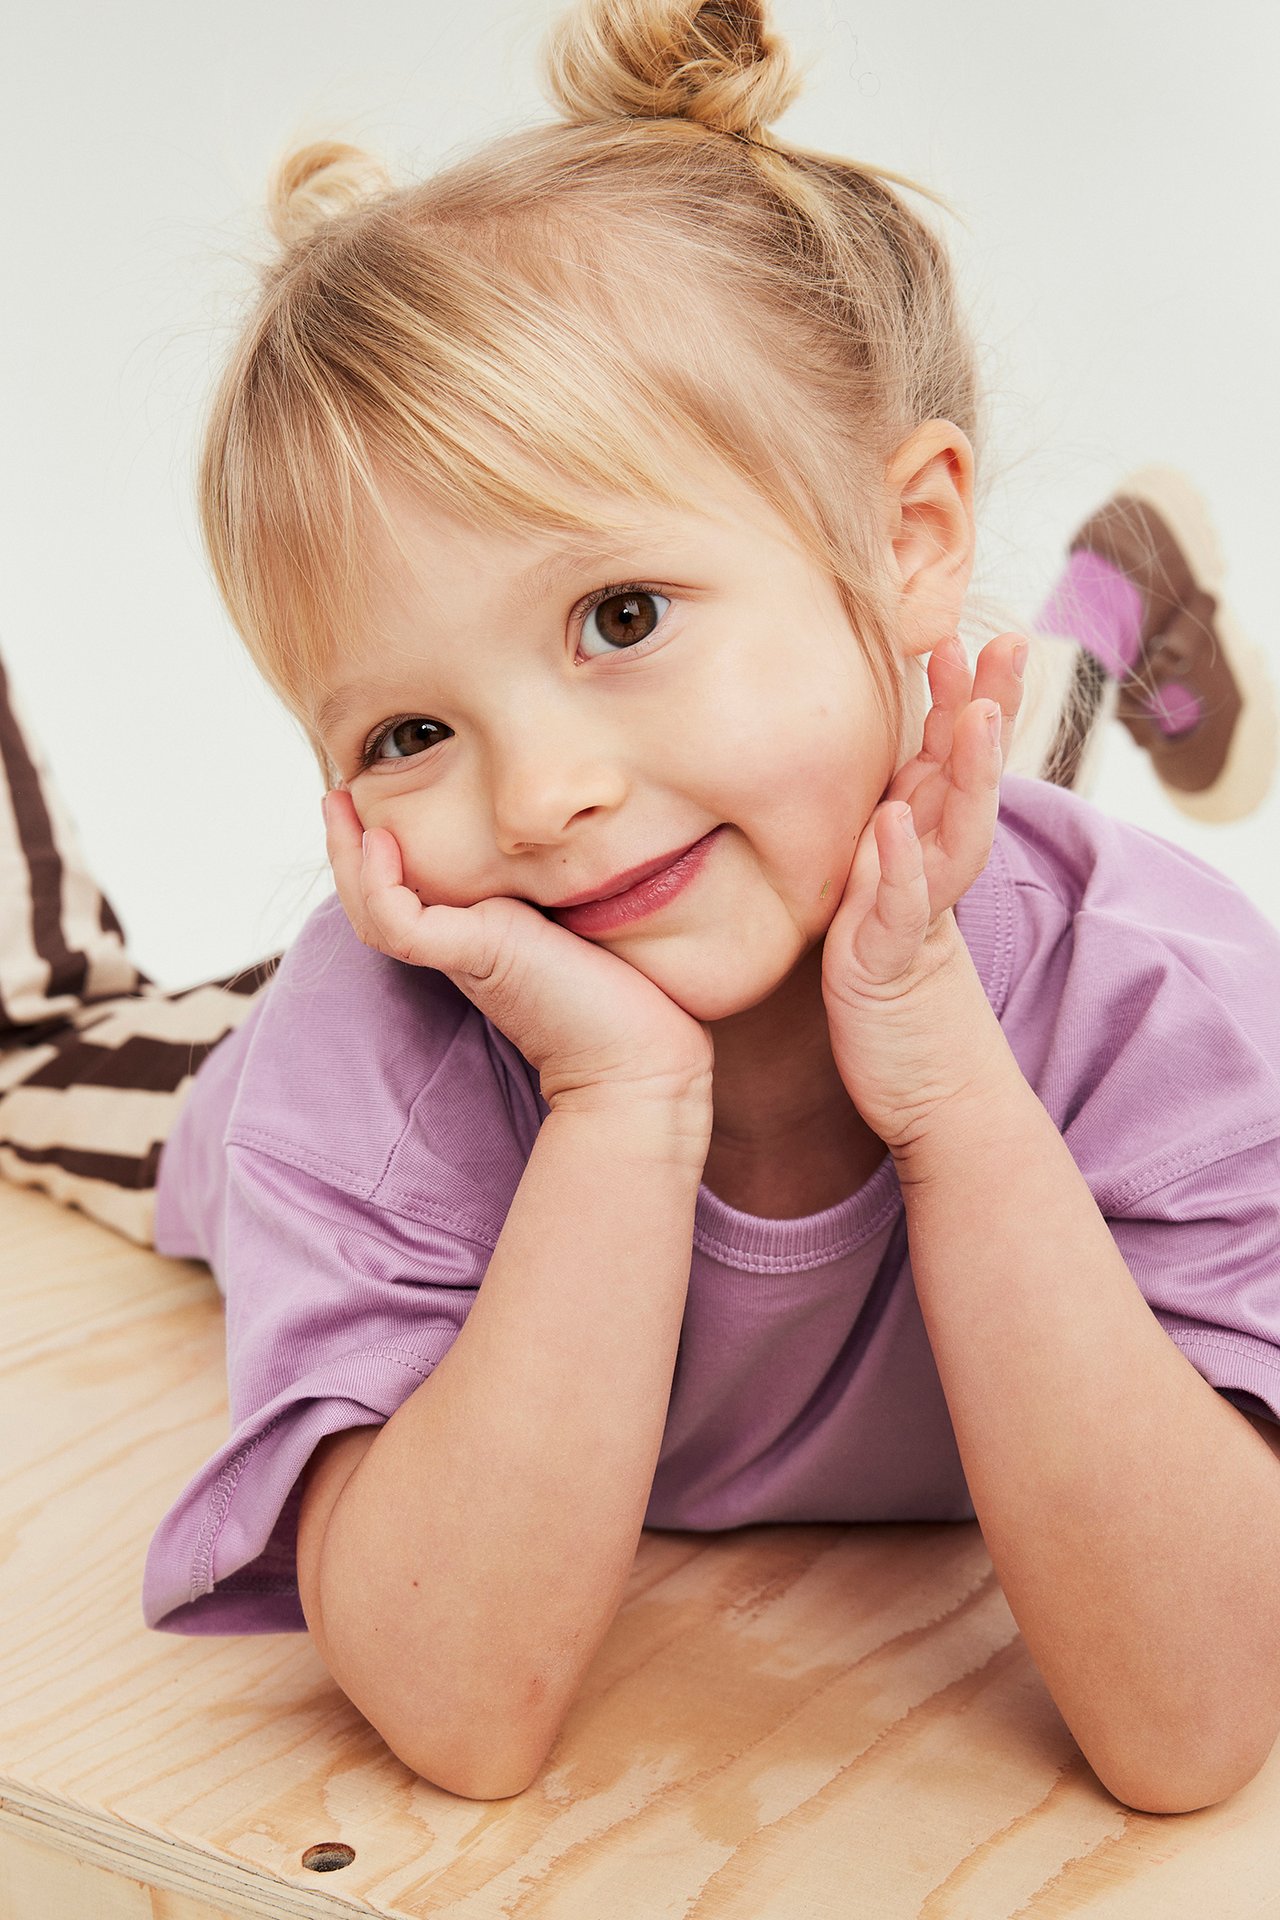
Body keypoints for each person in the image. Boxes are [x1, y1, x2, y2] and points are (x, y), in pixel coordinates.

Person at [5, 0, 1280, 1815]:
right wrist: (619, 1104)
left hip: (925, 828)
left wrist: (943, 1089)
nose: (539, 803)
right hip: (221, 1090)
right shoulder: (366, 1057)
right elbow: (463, 1708)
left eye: (619, 618)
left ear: (914, 532)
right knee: (55, 1039)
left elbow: (1193, 1721)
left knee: (948, 793)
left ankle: (1103, 621)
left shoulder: (1161, 997)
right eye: (410, 729)